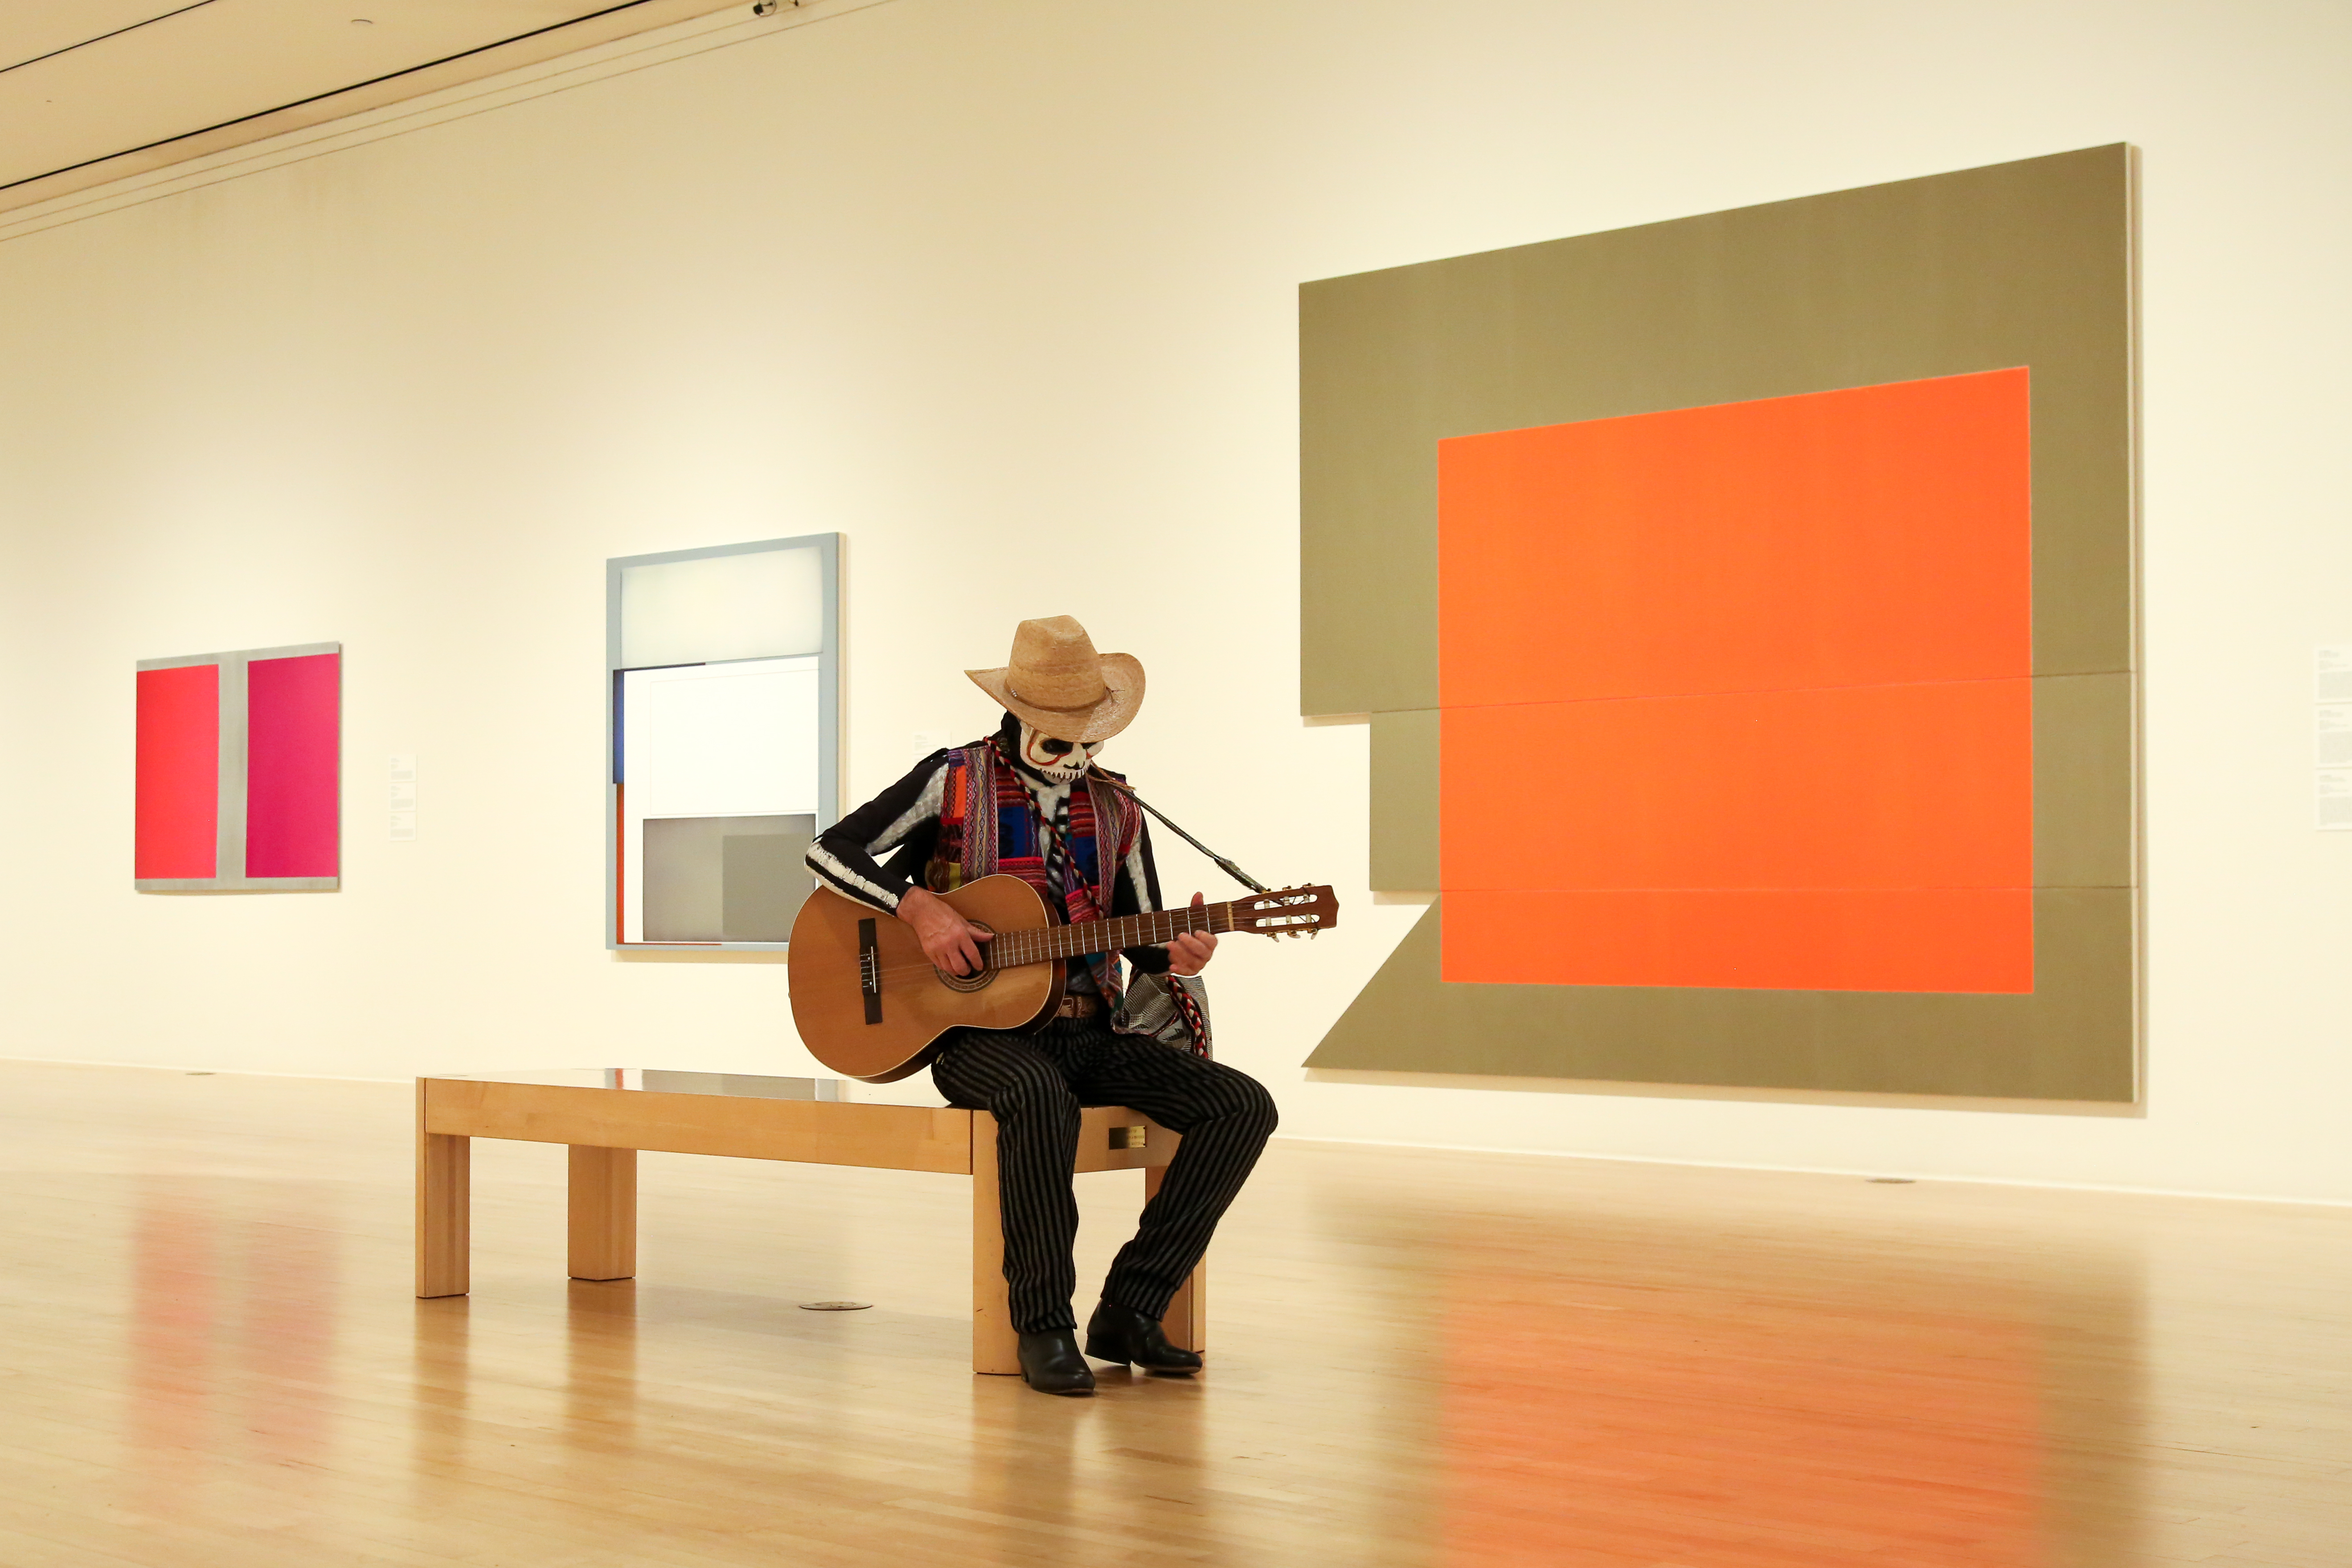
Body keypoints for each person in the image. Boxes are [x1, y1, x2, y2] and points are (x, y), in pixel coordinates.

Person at [806, 615, 1279, 1396]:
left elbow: (1140, 932)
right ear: (1016, 719)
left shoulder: (1120, 809)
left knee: (1240, 1106)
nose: (1076, 761)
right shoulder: (951, 778)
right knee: (1035, 1097)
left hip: (1092, 1028)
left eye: (1088, 743)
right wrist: (919, 907)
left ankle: (1131, 1308)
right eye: (1057, 744)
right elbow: (829, 851)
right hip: (977, 1038)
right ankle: (1042, 1325)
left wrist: (1177, 951)